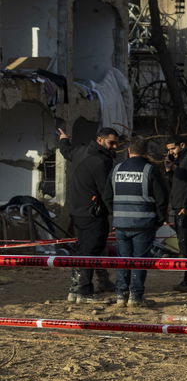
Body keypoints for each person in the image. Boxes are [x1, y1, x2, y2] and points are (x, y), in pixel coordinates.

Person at [58, 125, 121, 303]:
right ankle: (83, 291)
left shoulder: (80, 150)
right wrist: (115, 214)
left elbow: (65, 151)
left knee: (90, 248)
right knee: (90, 250)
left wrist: (63, 139)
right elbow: (106, 192)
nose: (114, 147)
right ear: (100, 140)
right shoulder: (101, 161)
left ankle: (95, 284)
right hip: (93, 213)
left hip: (78, 211)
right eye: (111, 143)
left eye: (116, 143)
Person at [110, 138, 169, 308]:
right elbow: (162, 198)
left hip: (121, 223)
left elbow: (107, 195)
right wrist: (159, 219)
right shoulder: (150, 170)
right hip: (143, 223)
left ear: (129, 151)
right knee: (139, 260)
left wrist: (116, 215)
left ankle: (121, 294)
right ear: (145, 152)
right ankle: (135, 297)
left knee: (123, 259)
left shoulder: (117, 169)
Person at [164, 135, 187, 291]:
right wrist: (169, 170)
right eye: (169, 150)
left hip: (186, 208)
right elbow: (176, 185)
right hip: (178, 205)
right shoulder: (179, 162)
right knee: (183, 243)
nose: (171, 152)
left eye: (173, 148)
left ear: (182, 145)